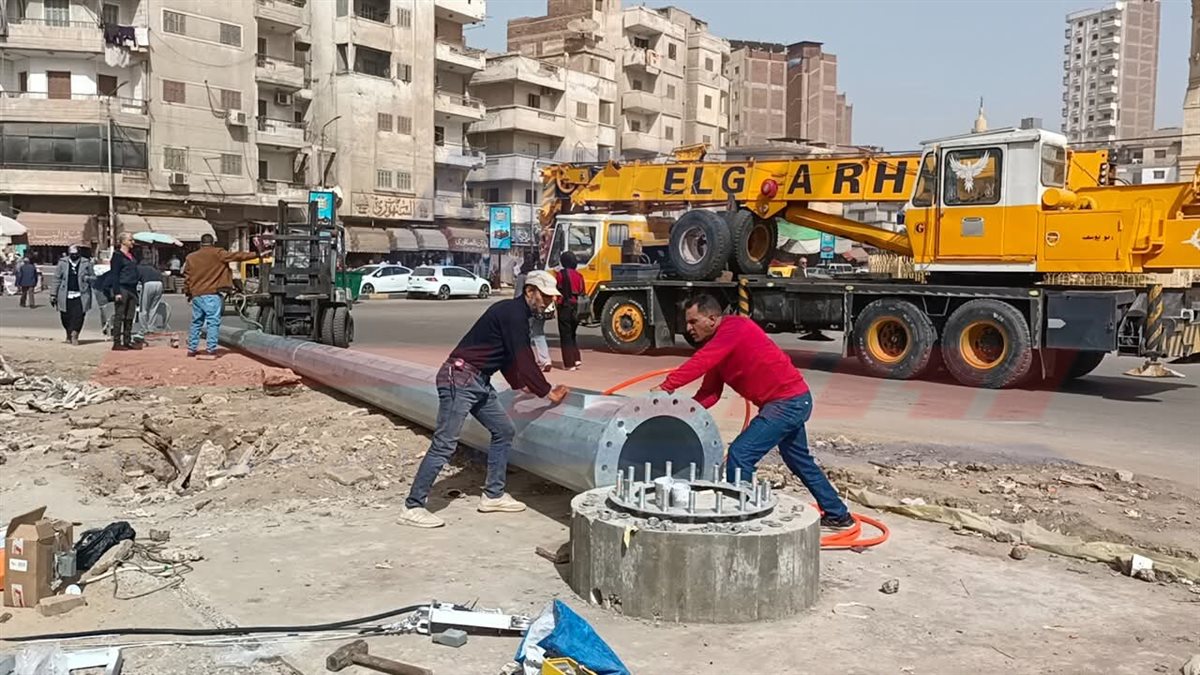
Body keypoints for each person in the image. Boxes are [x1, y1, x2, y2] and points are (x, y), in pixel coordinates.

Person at [652, 294, 854, 529]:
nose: (688, 328)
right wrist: (680, 414)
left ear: (712, 319)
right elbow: (710, 393)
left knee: (741, 454)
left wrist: (666, 387)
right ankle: (838, 514)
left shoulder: (735, 328)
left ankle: (740, 520)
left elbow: (701, 361)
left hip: (788, 403)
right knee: (799, 460)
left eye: (693, 321)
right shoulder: (719, 346)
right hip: (788, 402)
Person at [399, 270, 570, 529]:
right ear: (529, 291)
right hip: (460, 378)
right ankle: (412, 507)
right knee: (445, 444)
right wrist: (546, 391)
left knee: (503, 430)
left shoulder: (516, 315)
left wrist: (520, 385)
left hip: (478, 381)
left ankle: (493, 495)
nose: (548, 302)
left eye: (551, 298)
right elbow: (523, 357)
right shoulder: (513, 313)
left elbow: (507, 358)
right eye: (544, 296)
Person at [182, 234, 260, 357]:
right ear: (213, 243)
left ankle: (192, 349)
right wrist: (257, 254)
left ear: (200, 243)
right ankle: (211, 349)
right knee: (212, 322)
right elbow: (238, 256)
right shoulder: (218, 253)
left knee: (196, 322)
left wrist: (188, 292)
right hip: (211, 293)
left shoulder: (191, 257)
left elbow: (187, 277)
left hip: (196, 294)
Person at [49, 246, 94, 345]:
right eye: (72, 254)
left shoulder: (86, 263)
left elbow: (93, 277)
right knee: (65, 317)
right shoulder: (62, 263)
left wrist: (87, 278)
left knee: (79, 316)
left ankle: (75, 333)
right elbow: (56, 279)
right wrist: (53, 294)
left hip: (81, 294)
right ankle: (69, 333)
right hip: (65, 294)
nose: (74, 256)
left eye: (76, 254)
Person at [515, 255, 551, 371]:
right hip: (541, 309)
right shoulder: (540, 276)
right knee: (539, 333)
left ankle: (526, 360)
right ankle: (545, 359)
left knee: (526, 335)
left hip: (529, 309)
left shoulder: (523, 276)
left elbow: (518, 294)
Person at [109, 234, 141, 351]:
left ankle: (127, 340)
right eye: (130, 240)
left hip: (132, 288)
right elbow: (114, 275)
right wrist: (116, 292)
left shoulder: (132, 256)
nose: (132, 242)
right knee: (120, 316)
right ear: (123, 241)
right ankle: (117, 342)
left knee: (129, 316)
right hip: (122, 288)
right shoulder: (117, 256)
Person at [555, 250, 585, 371]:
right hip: (577, 307)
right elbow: (582, 291)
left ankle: (569, 363)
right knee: (572, 334)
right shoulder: (579, 276)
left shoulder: (560, 274)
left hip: (565, 306)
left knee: (565, 335)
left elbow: (557, 289)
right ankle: (576, 358)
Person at [133, 260, 165, 344]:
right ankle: (151, 328)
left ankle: (144, 329)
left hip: (148, 283)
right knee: (153, 308)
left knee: (143, 308)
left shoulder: (138, 268)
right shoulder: (153, 268)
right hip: (159, 284)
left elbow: (135, 281)